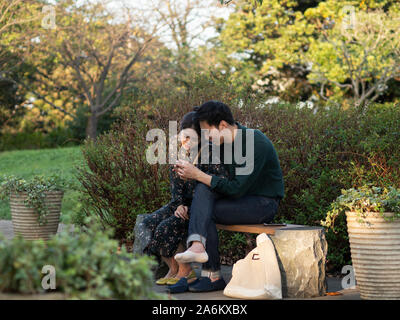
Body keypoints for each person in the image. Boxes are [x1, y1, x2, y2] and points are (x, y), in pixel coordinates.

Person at [174, 100, 284, 292]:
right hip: (237, 200)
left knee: (204, 207)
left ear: (223, 125)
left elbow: (236, 189)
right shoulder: (220, 143)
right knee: (202, 194)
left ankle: (212, 273)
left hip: (262, 203)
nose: (206, 137)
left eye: (207, 132)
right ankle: (199, 249)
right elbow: (215, 182)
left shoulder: (254, 142)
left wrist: (198, 174)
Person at [140, 109, 229, 287]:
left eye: (191, 138)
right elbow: (176, 188)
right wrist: (179, 204)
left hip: (202, 208)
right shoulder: (180, 154)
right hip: (184, 206)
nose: (186, 142)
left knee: (165, 228)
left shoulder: (212, 154)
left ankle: (184, 270)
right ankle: (173, 267)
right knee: (148, 223)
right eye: (184, 137)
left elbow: (216, 188)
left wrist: (195, 179)